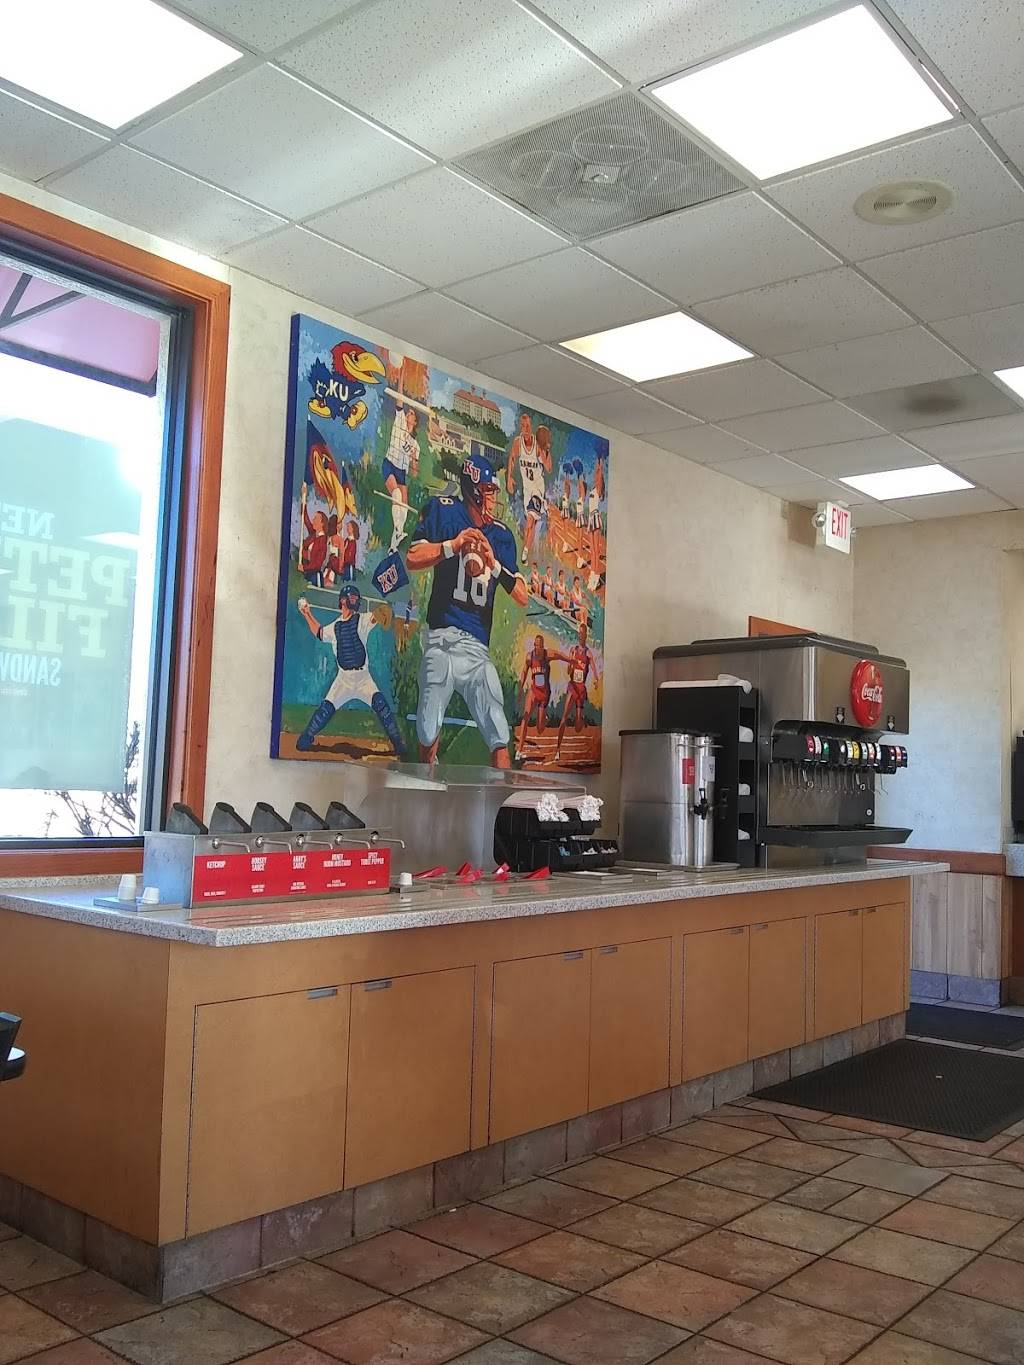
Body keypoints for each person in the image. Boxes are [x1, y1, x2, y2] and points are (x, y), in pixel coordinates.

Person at [406, 454, 528, 768]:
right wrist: (453, 545)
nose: (493, 498)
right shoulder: (445, 511)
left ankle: (504, 797)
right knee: (427, 729)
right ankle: (425, 783)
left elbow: (522, 595)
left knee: (499, 733)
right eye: (488, 491)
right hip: (442, 640)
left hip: (477, 650)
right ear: (473, 491)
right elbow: (413, 556)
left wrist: (494, 563)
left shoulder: (500, 535)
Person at [294, 585, 405, 756]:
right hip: (343, 679)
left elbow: (375, 617)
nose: (354, 600)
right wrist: (306, 613)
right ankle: (306, 738)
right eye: (351, 597)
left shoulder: (362, 619)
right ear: (343, 600)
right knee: (325, 709)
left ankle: (398, 743)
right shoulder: (335, 627)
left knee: (381, 706)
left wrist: (384, 610)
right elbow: (319, 632)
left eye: (356, 597)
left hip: (363, 678)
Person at [506, 411, 551, 564]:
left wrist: (546, 448)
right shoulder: (517, 443)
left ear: (531, 427)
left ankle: (524, 552)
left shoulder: (538, 445)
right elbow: (512, 458)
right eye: (522, 426)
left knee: (530, 521)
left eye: (527, 426)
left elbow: (549, 467)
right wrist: (509, 477)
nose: (525, 428)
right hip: (527, 489)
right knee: (529, 524)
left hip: (537, 488)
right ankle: (526, 548)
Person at [382, 401, 420, 552]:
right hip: (390, 464)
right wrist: (402, 383)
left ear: (415, 422)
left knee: (403, 506)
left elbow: (415, 473)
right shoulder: (399, 422)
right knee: (396, 494)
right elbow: (399, 401)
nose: (408, 414)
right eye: (408, 412)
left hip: (402, 471)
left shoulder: (415, 445)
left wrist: (413, 458)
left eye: (411, 413)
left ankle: (394, 544)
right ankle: (398, 530)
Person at [555, 622, 595, 762]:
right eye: (579, 633)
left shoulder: (588, 653)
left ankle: (581, 720)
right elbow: (568, 671)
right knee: (564, 716)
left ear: (585, 636)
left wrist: (596, 679)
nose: (580, 636)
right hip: (572, 687)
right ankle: (558, 750)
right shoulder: (573, 650)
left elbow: (593, 667)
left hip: (581, 689)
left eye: (582, 634)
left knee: (578, 727)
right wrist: (571, 665)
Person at [517, 633, 553, 757]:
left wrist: (570, 660)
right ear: (534, 645)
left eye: (541, 646)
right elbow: (524, 672)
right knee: (525, 717)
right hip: (533, 690)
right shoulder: (530, 657)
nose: (539, 648)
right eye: (537, 645)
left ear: (543, 646)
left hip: (544, 692)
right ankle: (519, 750)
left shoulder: (547, 655)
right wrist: (520, 690)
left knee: (540, 729)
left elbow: (559, 655)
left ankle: (544, 719)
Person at [299, 481, 328, 586]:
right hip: (306, 573)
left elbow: (317, 563)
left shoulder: (323, 541)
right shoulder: (313, 534)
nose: (313, 520)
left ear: (322, 523)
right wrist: (303, 498)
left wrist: (304, 568)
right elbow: (305, 518)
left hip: (315, 576)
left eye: (316, 519)